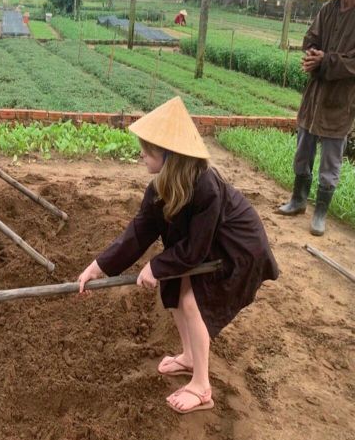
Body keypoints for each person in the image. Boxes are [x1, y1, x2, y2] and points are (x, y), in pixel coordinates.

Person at [77, 97, 279, 415]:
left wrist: (156, 266)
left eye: (148, 149)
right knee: (174, 288)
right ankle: (188, 356)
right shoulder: (159, 188)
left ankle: (202, 387)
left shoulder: (206, 187)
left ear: (170, 156)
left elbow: (197, 249)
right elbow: (138, 233)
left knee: (191, 300)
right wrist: (98, 267)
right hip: (207, 247)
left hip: (237, 250)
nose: (142, 154)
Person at [277, 0, 355, 236]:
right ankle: (298, 200)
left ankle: (320, 212)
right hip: (314, 96)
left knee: (330, 160)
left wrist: (327, 61)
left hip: (341, 100)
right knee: (303, 149)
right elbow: (311, 38)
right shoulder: (328, 10)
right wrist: (311, 53)